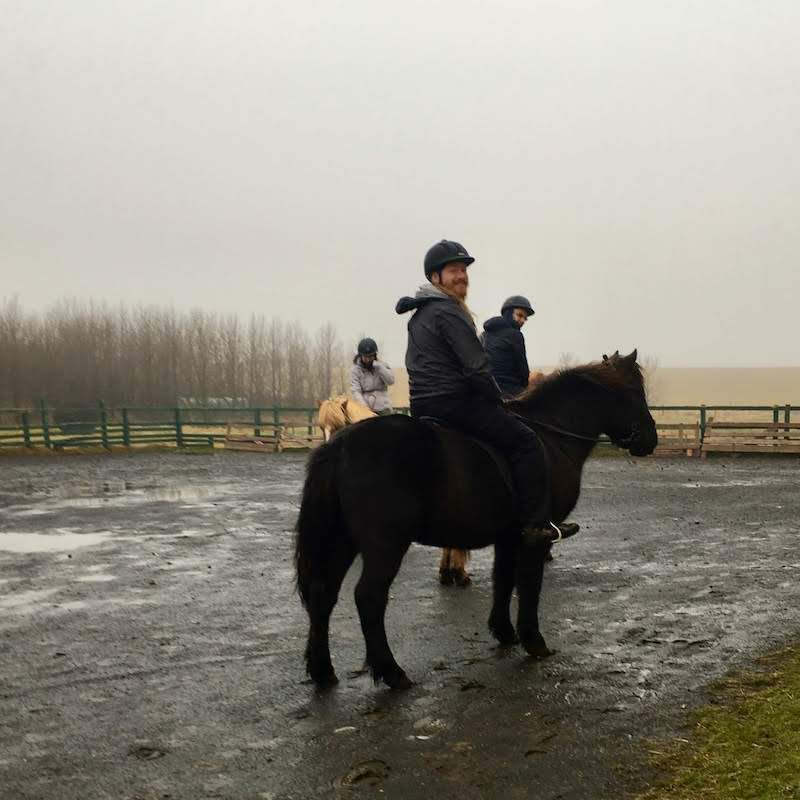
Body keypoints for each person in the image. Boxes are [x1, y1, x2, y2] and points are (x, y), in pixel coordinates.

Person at [395, 239, 578, 542]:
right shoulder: (448, 310)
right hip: (454, 403)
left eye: (464, 270)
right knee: (527, 442)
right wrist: (498, 401)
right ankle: (535, 524)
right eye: (454, 270)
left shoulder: (419, 315)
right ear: (434, 277)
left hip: (423, 406)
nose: (462, 276)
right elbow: (476, 367)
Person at [482, 295, 534, 398]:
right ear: (509, 313)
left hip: (486, 390)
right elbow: (523, 370)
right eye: (519, 315)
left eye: (525, 318)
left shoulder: (484, 334)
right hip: (510, 391)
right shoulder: (515, 335)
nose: (523, 320)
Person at [350, 338, 395, 415]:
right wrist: (364, 407)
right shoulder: (355, 370)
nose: (368, 360)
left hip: (383, 406)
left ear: (375, 355)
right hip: (365, 407)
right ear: (360, 356)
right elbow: (356, 391)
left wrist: (380, 368)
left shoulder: (382, 365)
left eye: (370, 357)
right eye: (365, 357)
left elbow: (391, 381)